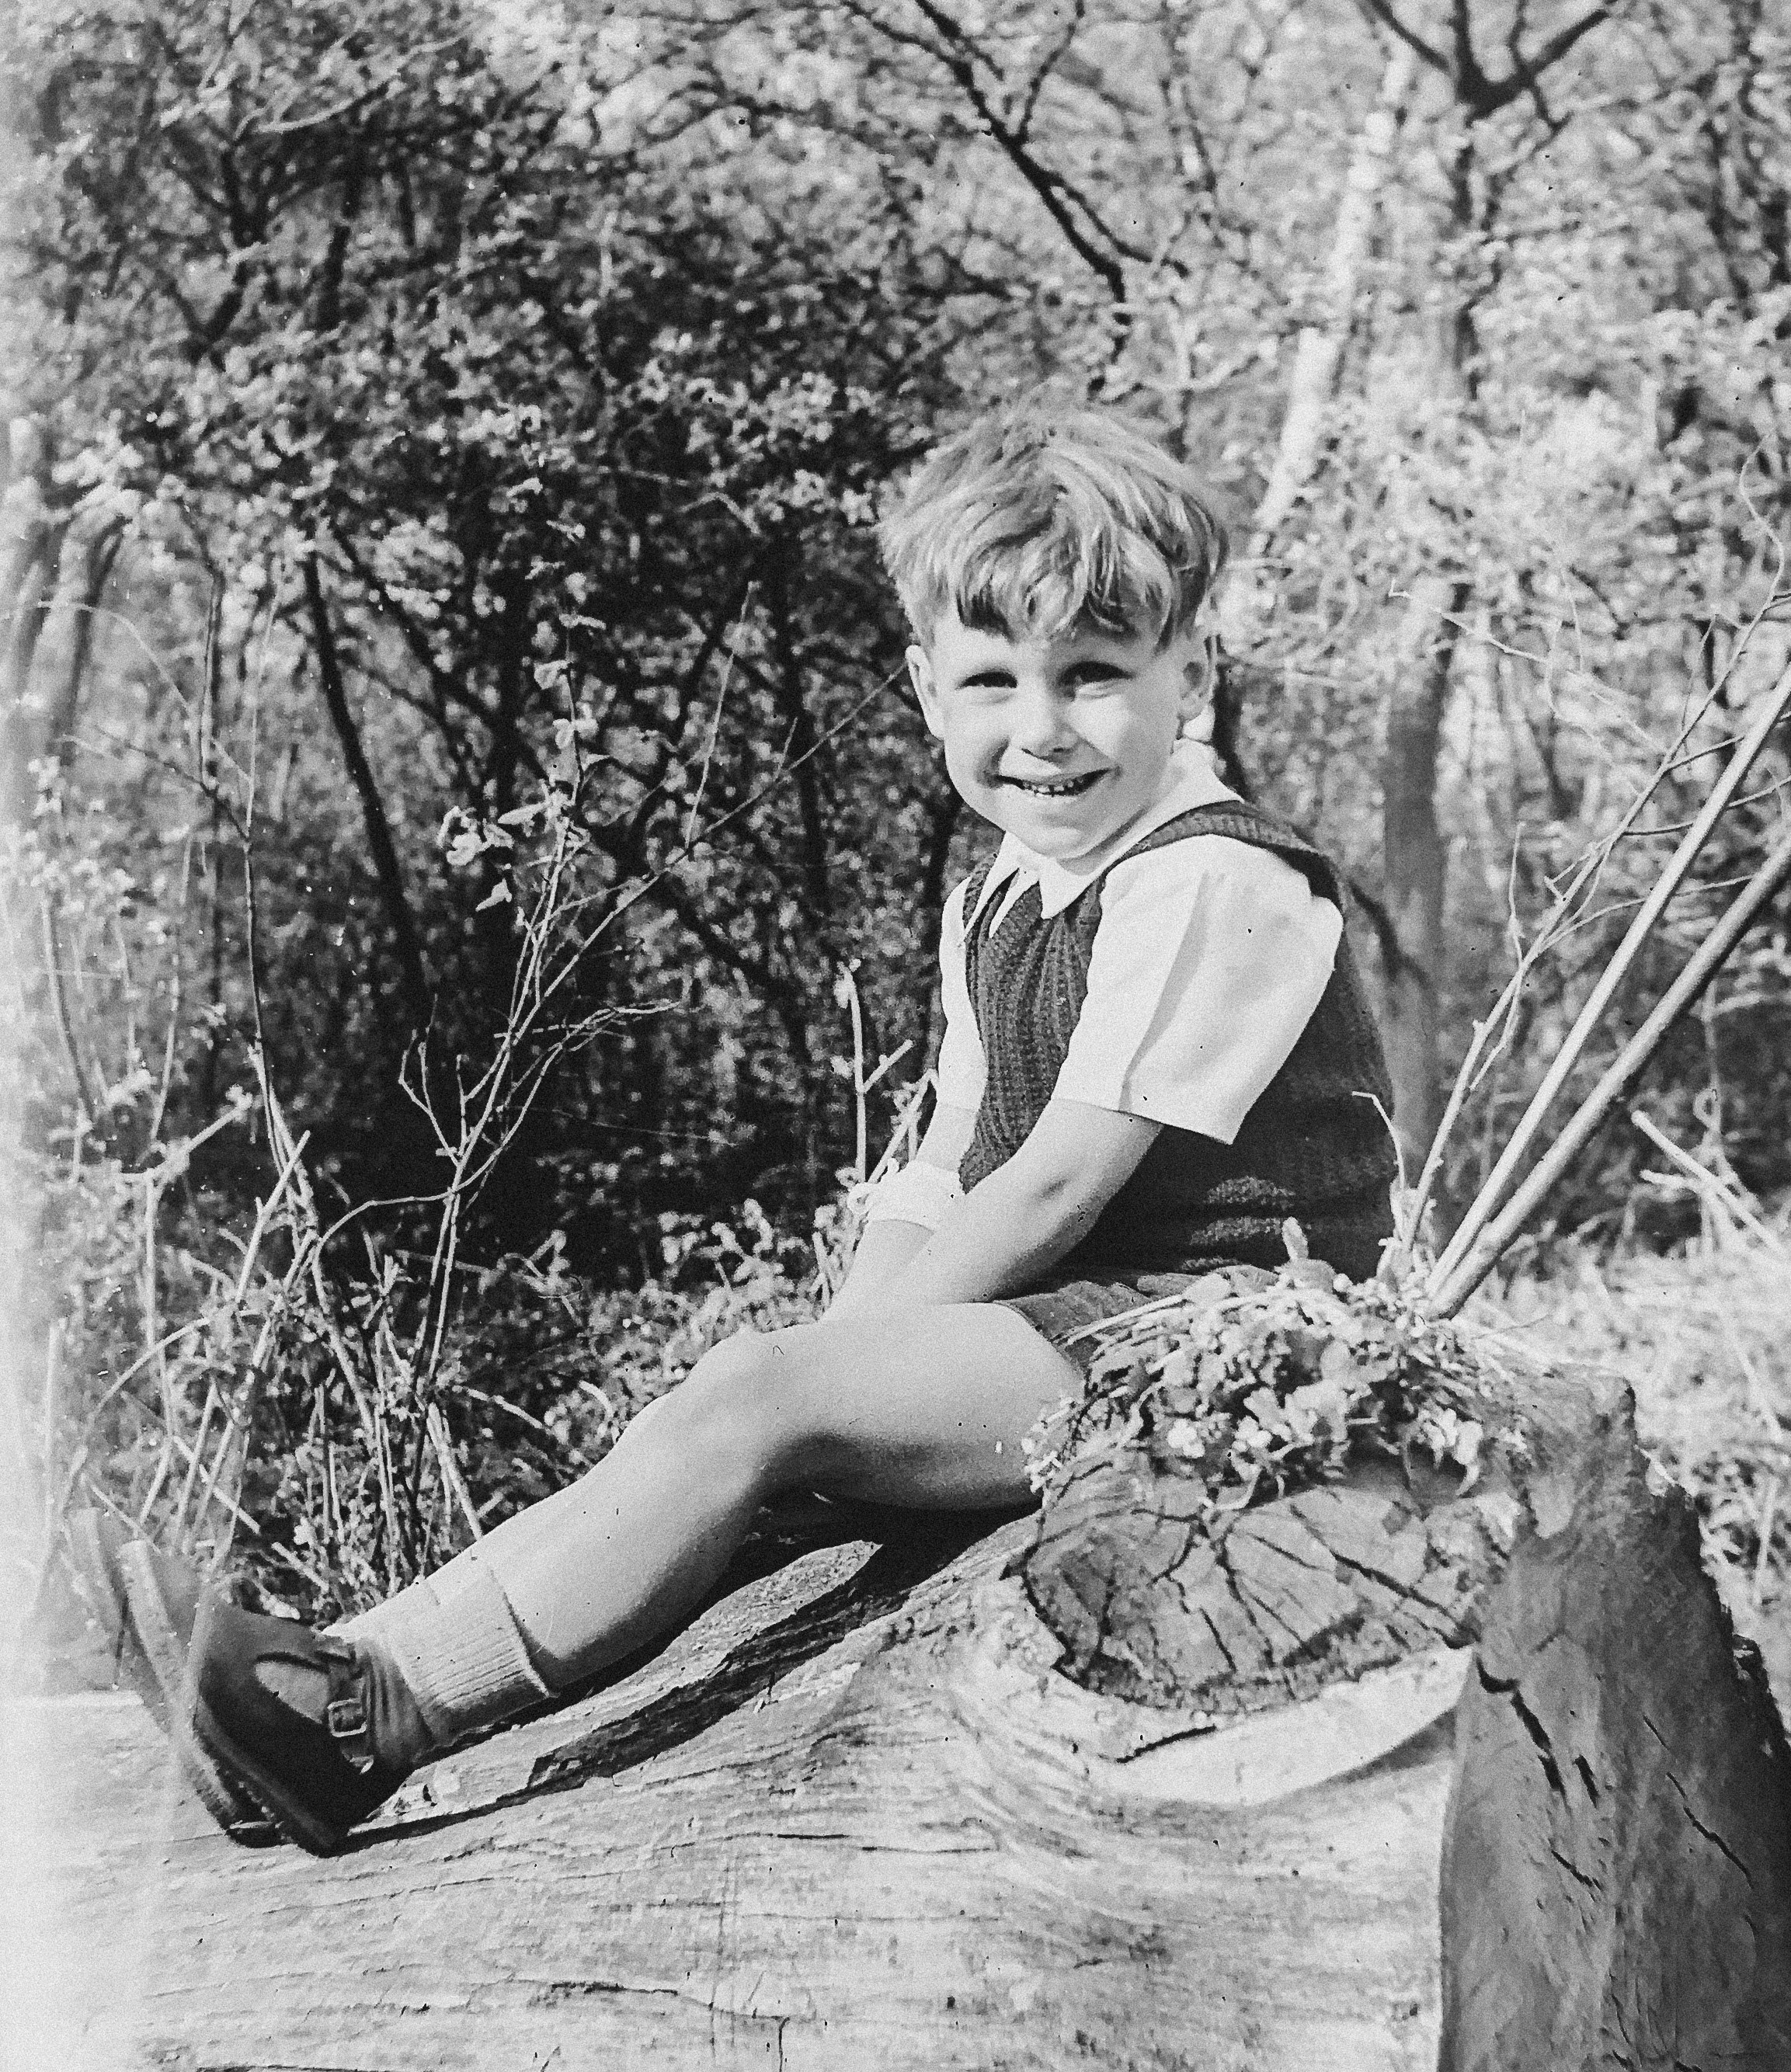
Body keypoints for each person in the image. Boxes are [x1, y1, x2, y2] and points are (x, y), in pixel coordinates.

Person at [85, 399, 1396, 1856]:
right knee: (746, 1404)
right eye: (992, 680)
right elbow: (946, 1159)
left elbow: (1057, 1184)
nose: (1039, 729)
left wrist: (817, 1379)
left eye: (1093, 674)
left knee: (766, 1399)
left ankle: (359, 1711)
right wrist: (836, 1353)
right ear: (926, 690)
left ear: (1190, 671)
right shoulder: (1004, 892)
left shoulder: (1212, 877)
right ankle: (341, 1688)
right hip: (1084, 1322)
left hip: (1227, 1342)